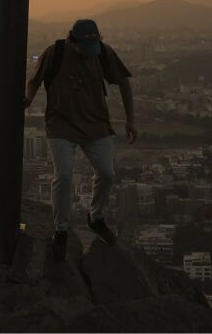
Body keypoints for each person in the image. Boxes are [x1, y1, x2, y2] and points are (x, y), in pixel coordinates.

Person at [24, 19, 138, 260]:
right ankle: (61, 230)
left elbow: (124, 82)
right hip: (61, 124)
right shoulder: (53, 53)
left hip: (96, 123)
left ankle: (95, 217)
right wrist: (27, 100)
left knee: (107, 173)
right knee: (63, 175)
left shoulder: (103, 52)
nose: (89, 55)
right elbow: (34, 80)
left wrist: (130, 119)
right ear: (71, 42)